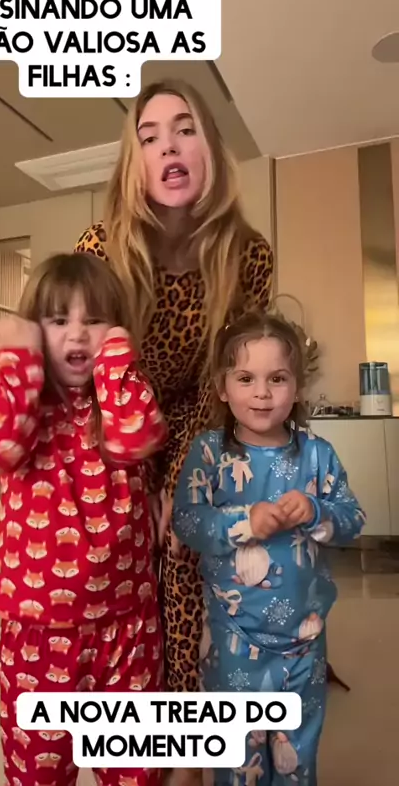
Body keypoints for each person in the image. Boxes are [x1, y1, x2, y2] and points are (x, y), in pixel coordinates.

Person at [75, 79, 274, 699]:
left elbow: (226, 381)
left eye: (185, 130)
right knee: (121, 560)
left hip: (195, 417)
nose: (169, 147)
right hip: (113, 422)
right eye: (150, 137)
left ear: (209, 147)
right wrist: (137, 479)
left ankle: (182, 710)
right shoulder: (100, 249)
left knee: (185, 547)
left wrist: (182, 484)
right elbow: (85, 381)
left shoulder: (248, 256)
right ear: (134, 163)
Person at [0, 252, 168, 786]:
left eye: (96, 320)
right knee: (38, 772)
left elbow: (137, 437)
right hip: (36, 633)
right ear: (34, 332)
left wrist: (116, 362)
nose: (78, 334)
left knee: (135, 772)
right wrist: (19, 362)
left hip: (126, 628)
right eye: (59, 320)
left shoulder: (124, 397)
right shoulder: (22, 405)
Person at [173, 312, 366, 786]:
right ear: (222, 387)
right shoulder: (208, 453)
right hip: (233, 639)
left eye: (277, 378)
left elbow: (353, 520)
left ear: (297, 387)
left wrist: (316, 511)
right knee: (238, 756)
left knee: (296, 756)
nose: (262, 393)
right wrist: (244, 522)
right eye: (246, 379)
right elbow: (188, 521)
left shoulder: (317, 454)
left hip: (305, 642)